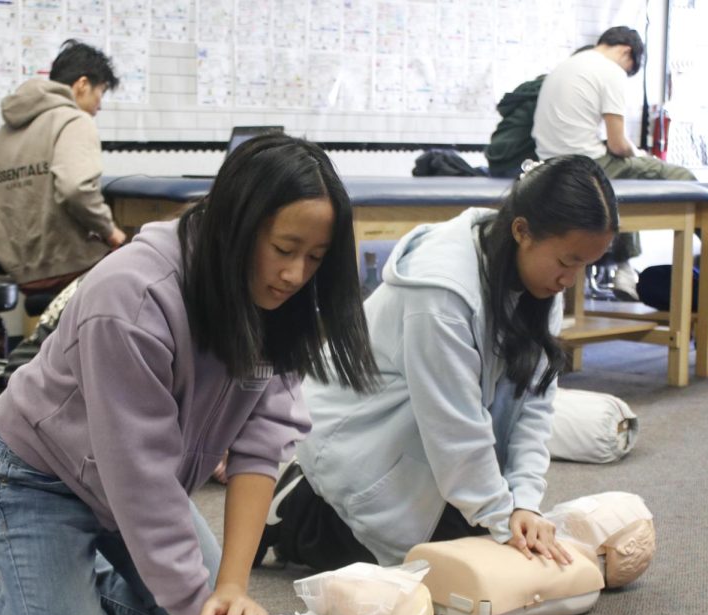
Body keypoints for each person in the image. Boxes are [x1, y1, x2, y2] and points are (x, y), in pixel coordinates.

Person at [0, 134, 378, 615]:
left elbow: (262, 442)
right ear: (236, 227)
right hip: (39, 479)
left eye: (314, 258)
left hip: (142, 487)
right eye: (284, 248)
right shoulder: (130, 298)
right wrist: (197, 601)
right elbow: (140, 472)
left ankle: (62, 582)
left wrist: (231, 587)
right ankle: (11, 591)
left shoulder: (276, 299)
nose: (294, 274)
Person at [260, 155, 618, 573]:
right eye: (566, 262)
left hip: (427, 442)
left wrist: (525, 504)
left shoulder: (541, 279)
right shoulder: (441, 293)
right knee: (437, 564)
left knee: (497, 543)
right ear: (522, 231)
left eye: (583, 266)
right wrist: (502, 518)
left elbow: (534, 409)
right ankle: (299, 510)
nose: (570, 280)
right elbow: (454, 427)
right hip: (361, 441)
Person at [531, 27, 708, 298]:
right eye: (630, 68)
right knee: (679, 174)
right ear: (626, 51)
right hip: (587, 163)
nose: (626, 73)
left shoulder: (566, 66)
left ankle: (624, 267)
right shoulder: (610, 71)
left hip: (551, 164)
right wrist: (641, 154)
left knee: (621, 184)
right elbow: (618, 144)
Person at [0, 39, 128, 298]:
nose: (99, 106)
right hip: (71, 265)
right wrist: (111, 232)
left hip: (18, 269)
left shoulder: (0, 135)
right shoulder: (75, 121)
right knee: (135, 260)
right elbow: (75, 189)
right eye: (100, 93)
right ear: (82, 85)